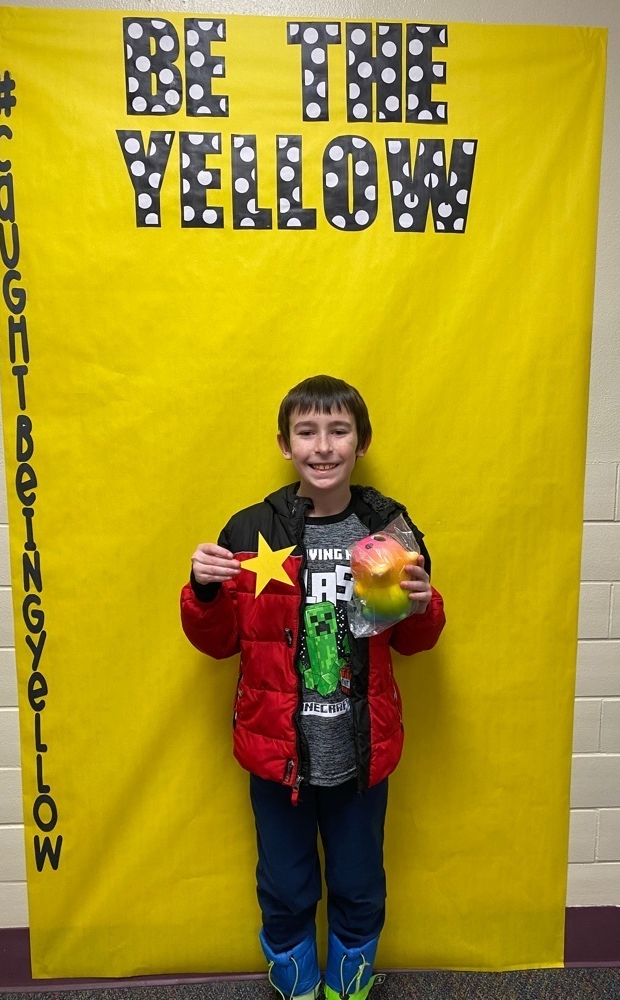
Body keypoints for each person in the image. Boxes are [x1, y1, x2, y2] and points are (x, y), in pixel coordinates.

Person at [181, 375, 445, 1000]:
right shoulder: (251, 530)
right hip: (278, 756)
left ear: (361, 442)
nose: (322, 446)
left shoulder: (389, 526)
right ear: (285, 444)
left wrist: (423, 605)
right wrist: (205, 590)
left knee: (359, 882)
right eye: (306, 432)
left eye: (338, 431)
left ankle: (348, 981)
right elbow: (219, 642)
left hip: (361, 755)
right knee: (285, 884)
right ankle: (295, 980)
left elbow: (414, 640)